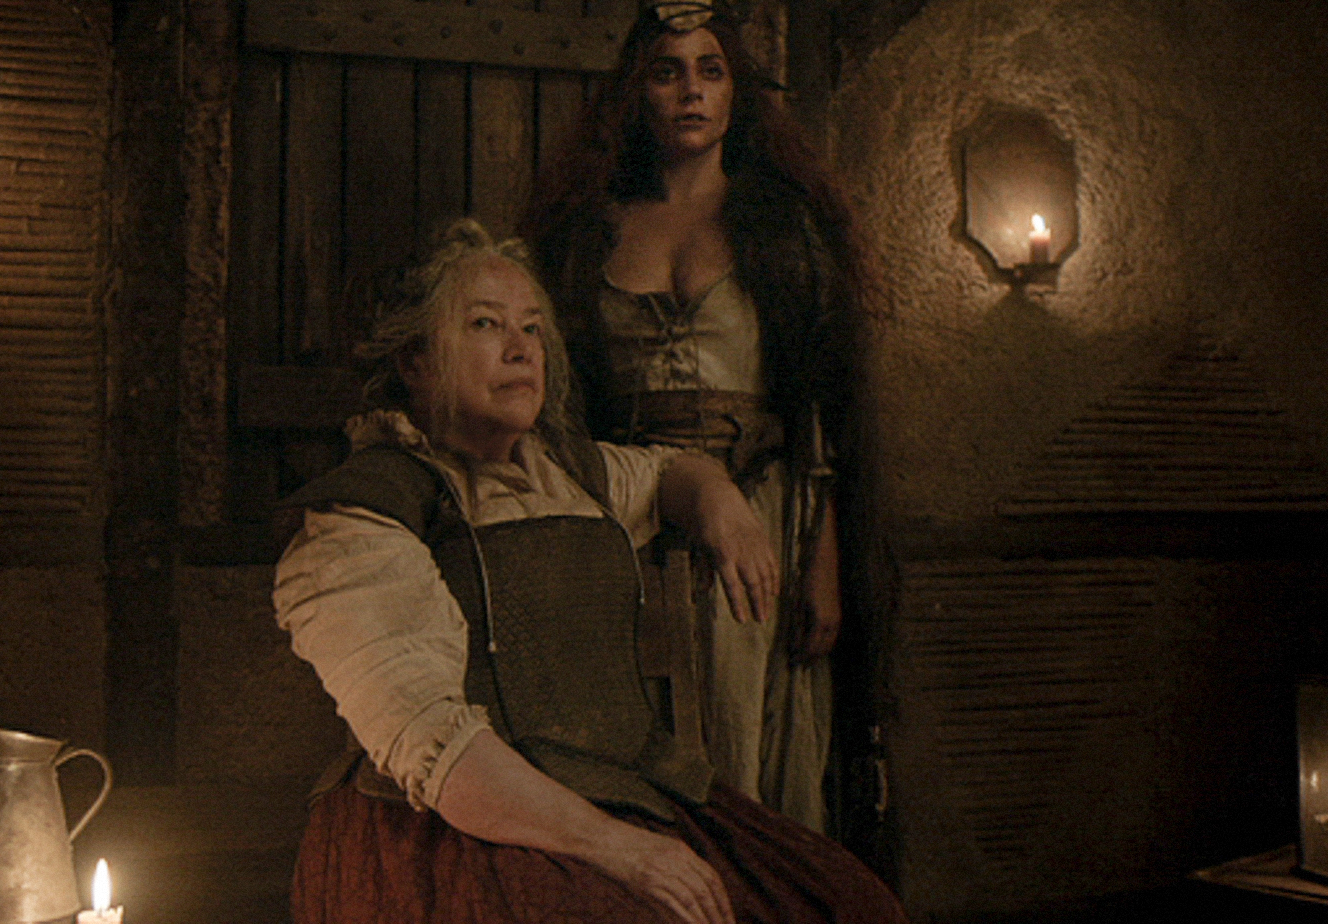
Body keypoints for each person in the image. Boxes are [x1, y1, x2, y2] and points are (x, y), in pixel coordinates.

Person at [273, 220, 903, 924]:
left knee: (850, 902)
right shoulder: (361, 520)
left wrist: (720, 503)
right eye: (485, 324)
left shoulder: (569, 476)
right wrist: (624, 851)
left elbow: (667, 471)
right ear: (415, 360)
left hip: (621, 789)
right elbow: (441, 754)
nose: (521, 349)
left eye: (532, 329)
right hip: (458, 830)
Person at [521, 0, 867, 834]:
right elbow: (560, 397)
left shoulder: (777, 227)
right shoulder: (587, 232)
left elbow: (813, 403)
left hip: (762, 507)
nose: (690, 91)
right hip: (631, 513)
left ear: (734, 92)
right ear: (634, 93)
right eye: (666, 72)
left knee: (748, 740)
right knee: (642, 735)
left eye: (710, 71)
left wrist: (821, 561)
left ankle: (756, 881)